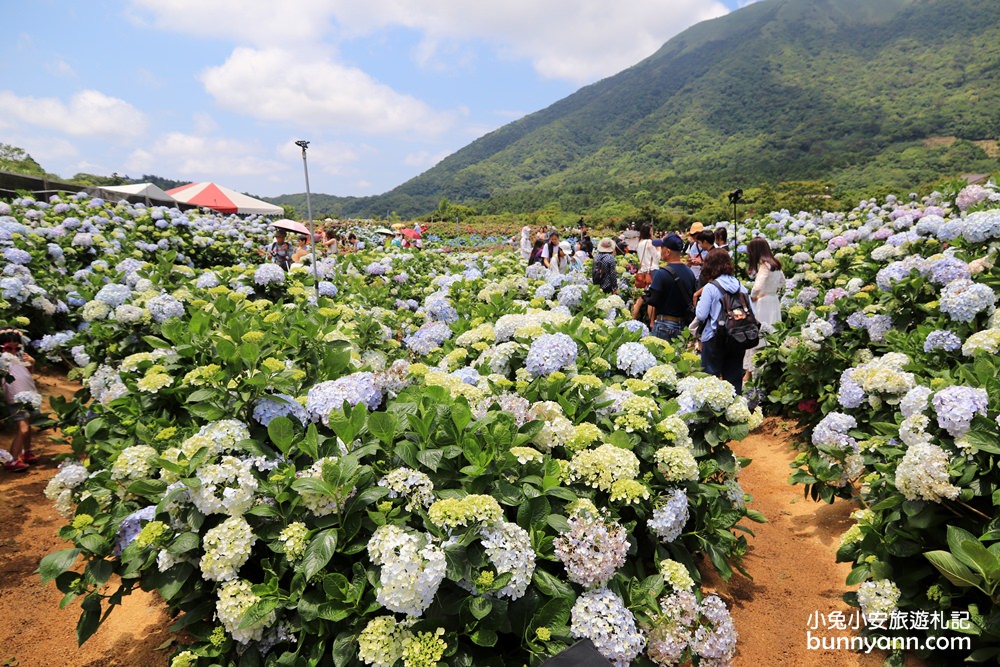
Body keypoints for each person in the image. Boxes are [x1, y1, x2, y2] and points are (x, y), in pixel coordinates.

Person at [694, 249, 755, 394]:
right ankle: (734, 413)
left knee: (710, 380)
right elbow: (752, 311)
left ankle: (712, 415)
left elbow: (701, 315)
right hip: (737, 337)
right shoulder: (741, 286)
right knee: (734, 381)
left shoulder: (710, 288)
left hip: (714, 338)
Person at [743, 237, 786, 380]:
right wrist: (773, 292)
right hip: (773, 301)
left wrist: (754, 296)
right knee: (771, 335)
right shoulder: (776, 265)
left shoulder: (764, 266)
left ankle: (752, 374)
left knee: (758, 337)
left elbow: (757, 286)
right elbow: (782, 283)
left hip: (762, 303)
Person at [645, 234, 696, 341]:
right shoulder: (689, 272)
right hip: (683, 327)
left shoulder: (661, 273)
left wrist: (651, 321)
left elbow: (653, 301)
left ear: (668, 251)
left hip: (664, 325)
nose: (660, 251)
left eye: (662, 248)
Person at [0, 328, 38, 472]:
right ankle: (12, 459)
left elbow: (27, 374)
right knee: (23, 428)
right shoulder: (2, 360)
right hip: (15, 398)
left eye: (17, 346)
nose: (13, 349)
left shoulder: (22, 357)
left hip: (29, 395)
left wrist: (32, 363)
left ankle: (27, 452)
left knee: (28, 426)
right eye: (9, 347)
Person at [635, 224, 659, 289]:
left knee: (644, 292)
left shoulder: (640, 243)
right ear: (648, 232)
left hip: (642, 270)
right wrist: (659, 249)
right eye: (651, 231)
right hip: (651, 270)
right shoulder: (649, 242)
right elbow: (657, 258)